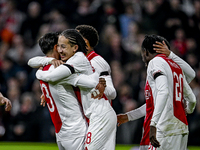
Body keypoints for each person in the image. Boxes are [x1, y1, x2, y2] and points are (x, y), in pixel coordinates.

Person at [29, 29, 117, 150]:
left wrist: (38, 74)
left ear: (75, 46)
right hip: (80, 123)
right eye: (59, 46)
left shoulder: (75, 61)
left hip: (95, 117)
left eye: (63, 46)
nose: (60, 50)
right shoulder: (62, 65)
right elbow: (32, 62)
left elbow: (50, 76)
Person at [117, 35, 196, 150]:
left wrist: (153, 124)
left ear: (145, 52)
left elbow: (163, 93)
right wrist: (129, 116)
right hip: (181, 129)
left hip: (165, 128)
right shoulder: (176, 68)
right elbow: (192, 98)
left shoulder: (155, 63)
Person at [28, 32, 91, 150]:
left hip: (60, 132)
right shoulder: (58, 70)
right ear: (56, 47)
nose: (62, 49)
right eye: (61, 46)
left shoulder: (44, 68)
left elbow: (31, 62)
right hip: (75, 130)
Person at [75, 24, 116, 104]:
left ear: (85, 42)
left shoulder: (97, 62)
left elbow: (112, 93)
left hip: (100, 114)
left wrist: (96, 89)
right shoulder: (79, 62)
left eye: (75, 39)